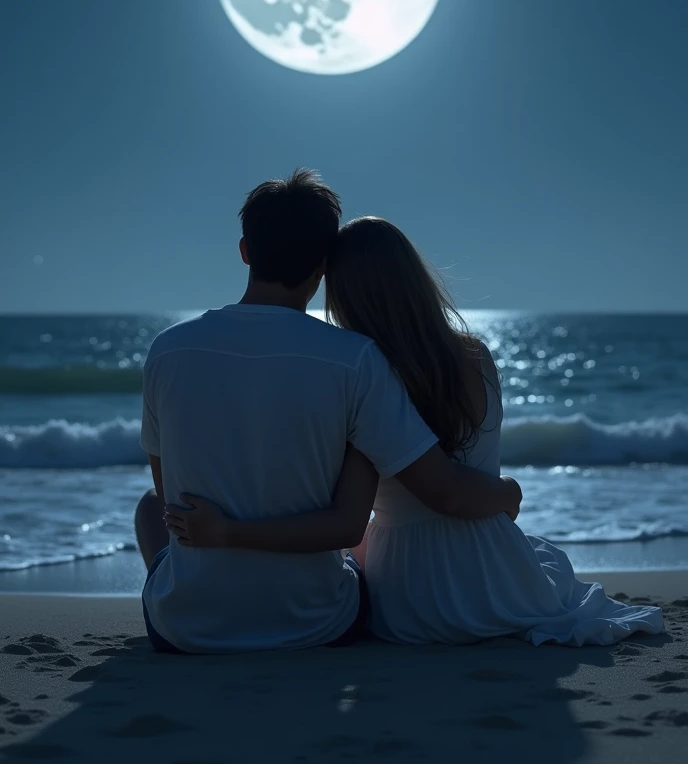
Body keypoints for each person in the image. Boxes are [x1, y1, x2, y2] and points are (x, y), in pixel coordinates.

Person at [165, 216, 665, 647]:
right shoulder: (475, 354)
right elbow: (459, 483)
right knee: (547, 566)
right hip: (495, 567)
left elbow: (365, 514)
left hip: (412, 590)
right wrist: (507, 492)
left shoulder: (364, 371)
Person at [135, 173, 522, 653]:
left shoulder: (167, 350)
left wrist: (226, 531)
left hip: (186, 630)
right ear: (323, 265)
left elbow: (170, 496)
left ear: (244, 251)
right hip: (315, 624)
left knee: (151, 510)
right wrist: (507, 492)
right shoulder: (355, 359)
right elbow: (354, 523)